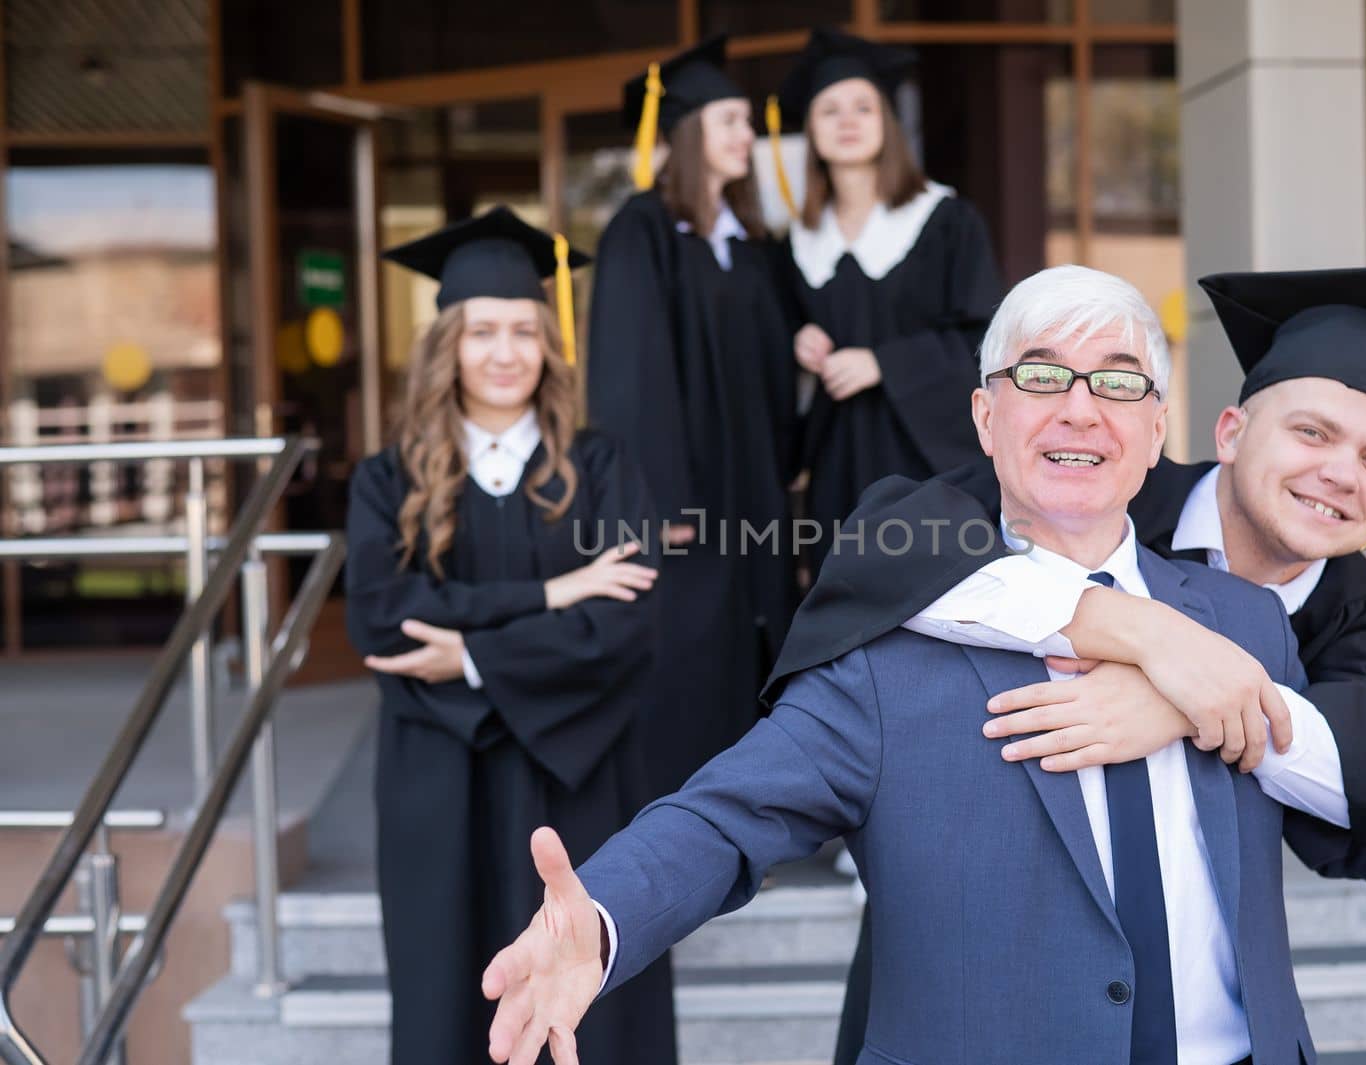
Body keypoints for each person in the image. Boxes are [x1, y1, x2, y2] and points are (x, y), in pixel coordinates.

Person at [480, 266, 1366, 1065]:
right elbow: (727, 817)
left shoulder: (1271, 622)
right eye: (1043, 377)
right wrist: (608, 918)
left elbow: (1347, 797)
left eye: (1117, 384)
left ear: (1156, 433)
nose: (1080, 406)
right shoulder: (893, 635)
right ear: (985, 419)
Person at [771, 265, 1366, 1065]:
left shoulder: (1357, 614)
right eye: (1312, 432)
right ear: (1227, 432)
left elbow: (1360, 782)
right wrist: (1139, 632)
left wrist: (1198, 706)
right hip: (965, 981)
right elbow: (890, 550)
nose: (1338, 475)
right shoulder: (1103, 485)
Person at [344, 206, 676, 1065]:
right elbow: (382, 617)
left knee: (589, 1018)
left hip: (579, 780)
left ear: (548, 345)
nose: (504, 351)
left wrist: (472, 655)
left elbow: (625, 627)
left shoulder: (602, 468)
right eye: (482, 330)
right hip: (436, 786)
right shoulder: (388, 481)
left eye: (524, 330)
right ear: (447, 343)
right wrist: (552, 592)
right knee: (446, 1002)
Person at [587, 36, 797, 796]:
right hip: (685, 498)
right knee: (690, 653)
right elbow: (628, 373)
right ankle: (679, 827)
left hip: (753, 492)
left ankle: (751, 817)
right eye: (732, 120)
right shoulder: (640, 233)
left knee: (752, 647)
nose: (748, 136)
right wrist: (657, 499)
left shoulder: (749, 247)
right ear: (688, 131)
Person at [777, 28, 1003, 553]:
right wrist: (799, 337)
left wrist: (885, 363)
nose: (848, 121)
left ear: (887, 122)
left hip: (925, 459)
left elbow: (986, 338)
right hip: (836, 460)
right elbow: (779, 328)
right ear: (810, 130)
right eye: (830, 110)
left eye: (863, 107)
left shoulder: (946, 221)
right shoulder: (797, 242)